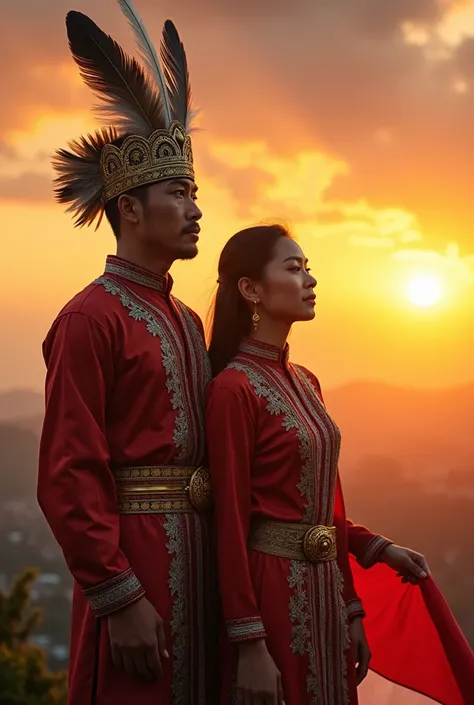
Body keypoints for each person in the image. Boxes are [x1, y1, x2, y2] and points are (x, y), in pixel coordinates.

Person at [205, 223, 474, 705]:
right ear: (251, 290)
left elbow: (326, 506)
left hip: (326, 590)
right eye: (294, 268)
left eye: (309, 268)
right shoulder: (233, 390)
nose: (310, 280)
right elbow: (228, 524)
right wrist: (249, 643)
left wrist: (360, 586)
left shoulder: (306, 382)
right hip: (271, 592)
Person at [37, 6, 216, 705]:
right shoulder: (89, 318)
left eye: (196, 192)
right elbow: (68, 470)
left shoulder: (190, 320)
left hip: (202, 564)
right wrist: (118, 596)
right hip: (135, 564)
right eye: (179, 192)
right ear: (131, 208)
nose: (197, 207)